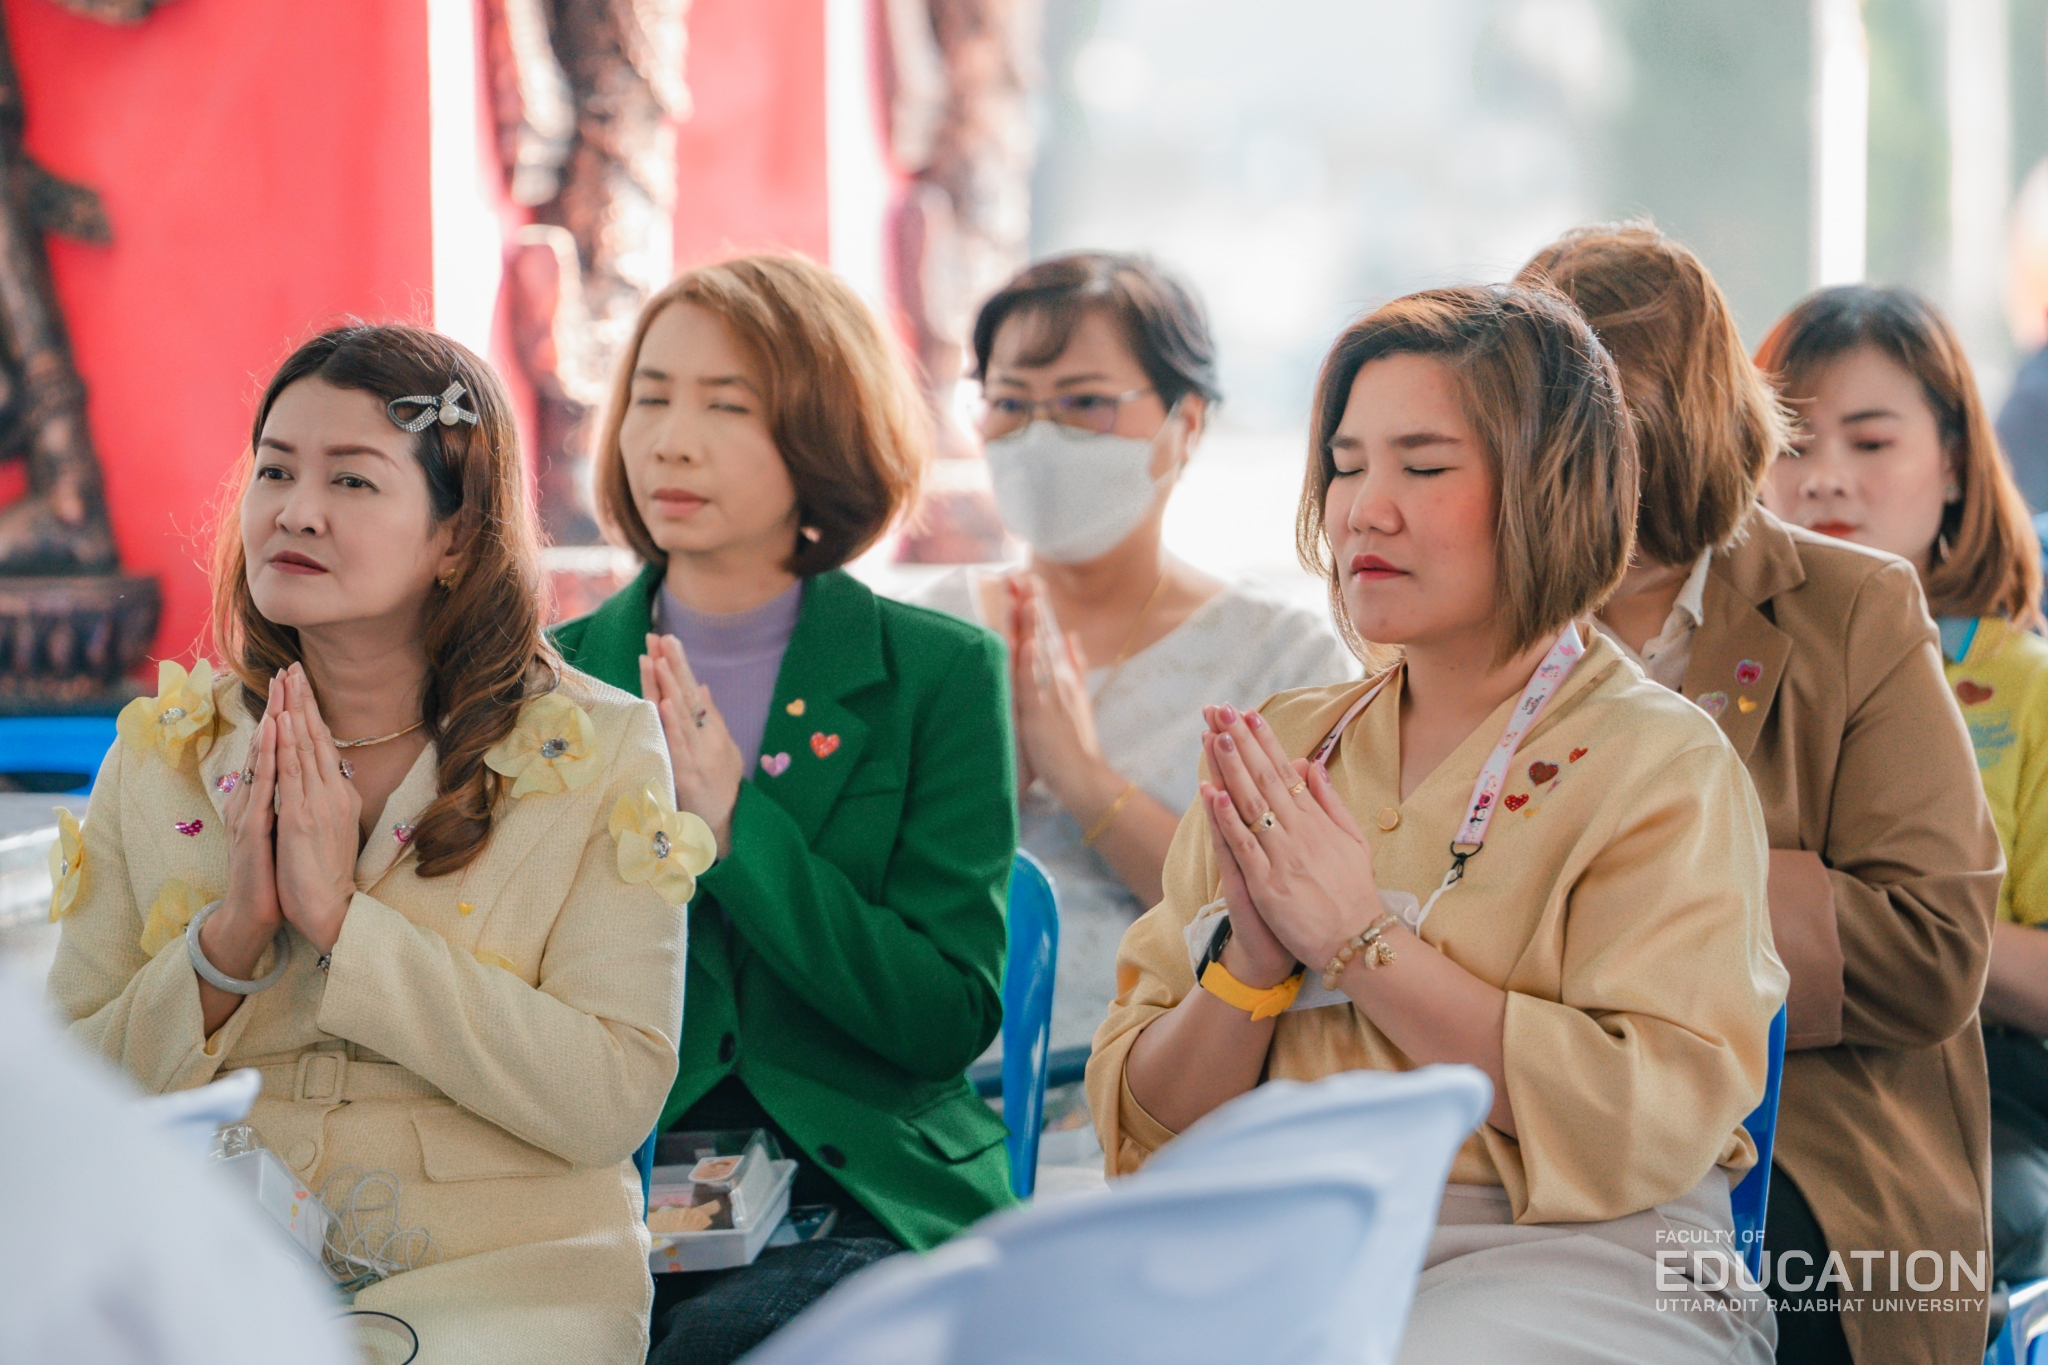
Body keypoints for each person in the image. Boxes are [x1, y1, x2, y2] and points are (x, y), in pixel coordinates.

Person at [1089, 284, 1786, 1363]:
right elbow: (1143, 1126)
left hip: (1575, 1254)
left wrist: (1359, 942)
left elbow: (1639, 1121)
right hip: (1276, 1247)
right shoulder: (1289, 744)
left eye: (1421, 467)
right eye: (1345, 466)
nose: (1364, 510)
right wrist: (1250, 970)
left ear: (1550, 487)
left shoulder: (1659, 764)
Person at [45, 324, 699, 1363]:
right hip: (209, 1269)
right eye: (275, 470)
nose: (295, 510)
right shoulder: (164, 750)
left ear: (456, 537)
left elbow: (608, 1096)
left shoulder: (598, 749)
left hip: (507, 1279)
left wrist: (343, 926)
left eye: (351, 480)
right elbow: (63, 1103)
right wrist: (227, 942)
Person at [1524, 224, 2003, 1365]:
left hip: (1808, 1151)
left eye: (1609, 425)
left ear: (1696, 422)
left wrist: (1641, 903)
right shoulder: (1488, 616)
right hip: (1532, 1121)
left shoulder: (1851, 606)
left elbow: (1933, 943)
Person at [549, 253, 1018, 1364]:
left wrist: (737, 833)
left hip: (865, 1200)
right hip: (601, 1200)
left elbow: (945, 1016)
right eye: (651, 397)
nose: (671, 441)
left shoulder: (938, 672)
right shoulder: (546, 685)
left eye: (728, 406)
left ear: (821, 436)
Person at [918, 252, 1355, 1055]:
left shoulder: (1283, 659)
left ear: (1186, 423)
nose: (1040, 436)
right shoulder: (927, 631)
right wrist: (987, 791)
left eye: (1085, 401)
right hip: (934, 1079)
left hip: (1164, 1083)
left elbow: (1297, 922)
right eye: (1010, 402)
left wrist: (1085, 781)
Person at [1757, 285, 2048, 1291]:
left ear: (1955, 463)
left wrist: (1916, 919)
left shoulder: (2025, 687)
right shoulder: (1713, 671)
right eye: (1791, 444)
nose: (1825, 478)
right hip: (1751, 1075)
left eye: (1870, 442)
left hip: (1984, 1095)